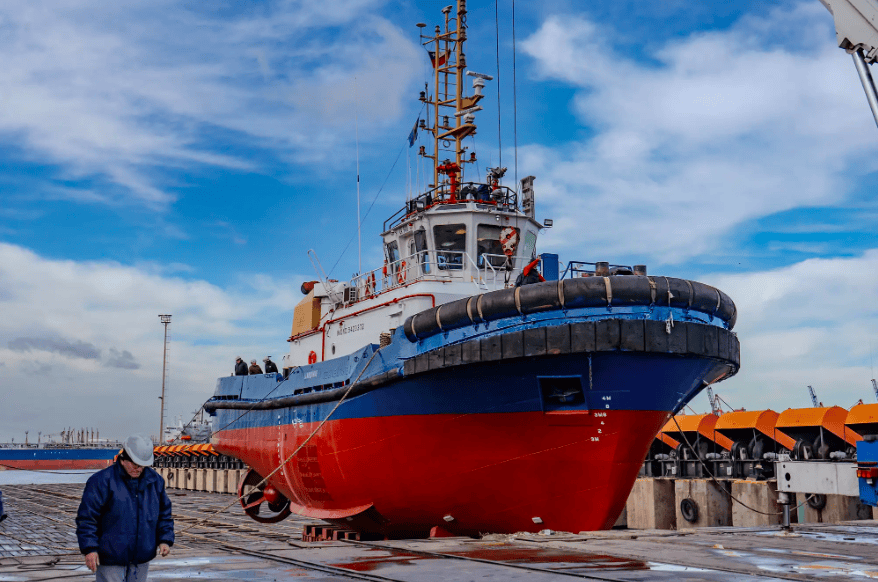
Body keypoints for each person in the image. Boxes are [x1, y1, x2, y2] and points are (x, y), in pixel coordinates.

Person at [76, 434, 173, 582]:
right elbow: (87, 518)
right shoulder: (101, 482)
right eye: (134, 464)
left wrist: (165, 539)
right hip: (110, 557)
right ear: (123, 459)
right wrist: (90, 549)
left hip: (141, 557)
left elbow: (164, 513)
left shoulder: (155, 482)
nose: (138, 469)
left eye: (142, 465)